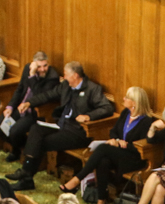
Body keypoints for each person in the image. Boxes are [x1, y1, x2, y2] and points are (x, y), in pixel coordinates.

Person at [6, 62, 115, 191]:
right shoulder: (66, 85)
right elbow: (48, 95)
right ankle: (26, 172)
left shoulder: (92, 89)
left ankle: (26, 175)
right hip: (62, 125)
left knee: (41, 141)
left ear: (75, 75)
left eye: (66, 74)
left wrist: (89, 116)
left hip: (78, 132)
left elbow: (107, 108)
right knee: (35, 129)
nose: (63, 77)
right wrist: (29, 102)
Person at [58, 87, 157, 204]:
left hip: (133, 159)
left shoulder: (146, 122)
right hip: (116, 154)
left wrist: (126, 145)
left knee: (103, 149)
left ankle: (78, 179)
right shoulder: (125, 114)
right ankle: (101, 201)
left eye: (127, 98)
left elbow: (144, 147)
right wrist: (115, 140)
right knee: (102, 161)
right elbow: (113, 131)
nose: (124, 99)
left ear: (135, 102)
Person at [0, 52, 60, 162]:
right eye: (39, 66)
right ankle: (20, 147)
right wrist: (10, 107)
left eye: (45, 65)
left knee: (14, 131)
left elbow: (39, 96)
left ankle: (17, 150)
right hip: (20, 107)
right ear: (33, 64)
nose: (42, 69)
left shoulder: (52, 77)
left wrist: (32, 75)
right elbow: (20, 89)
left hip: (36, 112)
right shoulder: (27, 67)